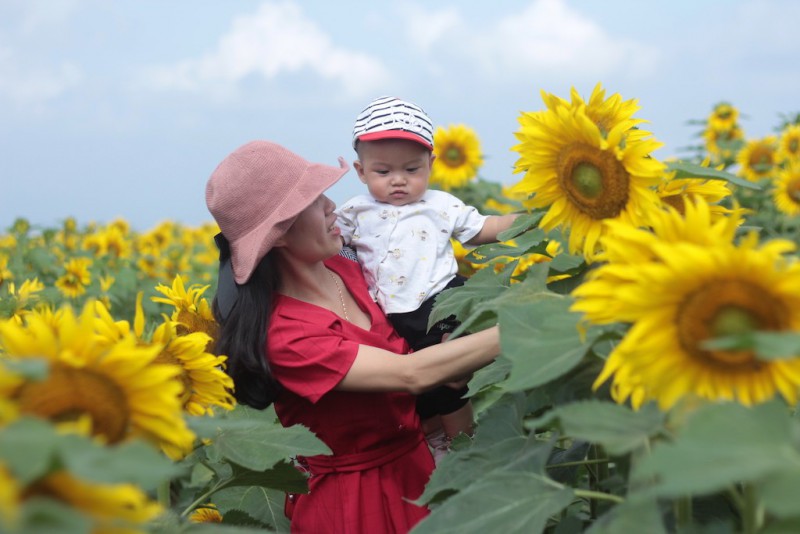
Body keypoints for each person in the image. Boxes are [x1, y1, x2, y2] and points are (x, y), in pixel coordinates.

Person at [205, 140, 503, 534]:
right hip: (358, 504)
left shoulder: (352, 264)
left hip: (424, 470)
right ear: (277, 234)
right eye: (312, 201)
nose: (331, 205)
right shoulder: (286, 336)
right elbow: (411, 373)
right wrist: (523, 325)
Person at [336, 96, 519, 461]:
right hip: (392, 316)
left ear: (431, 165)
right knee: (424, 386)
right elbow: (330, 246)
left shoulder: (441, 205)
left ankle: (465, 446)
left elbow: (484, 228)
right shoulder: (354, 212)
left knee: (453, 376)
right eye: (383, 172)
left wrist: (532, 220)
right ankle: (441, 445)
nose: (398, 180)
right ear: (361, 171)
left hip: (441, 300)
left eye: (412, 169)